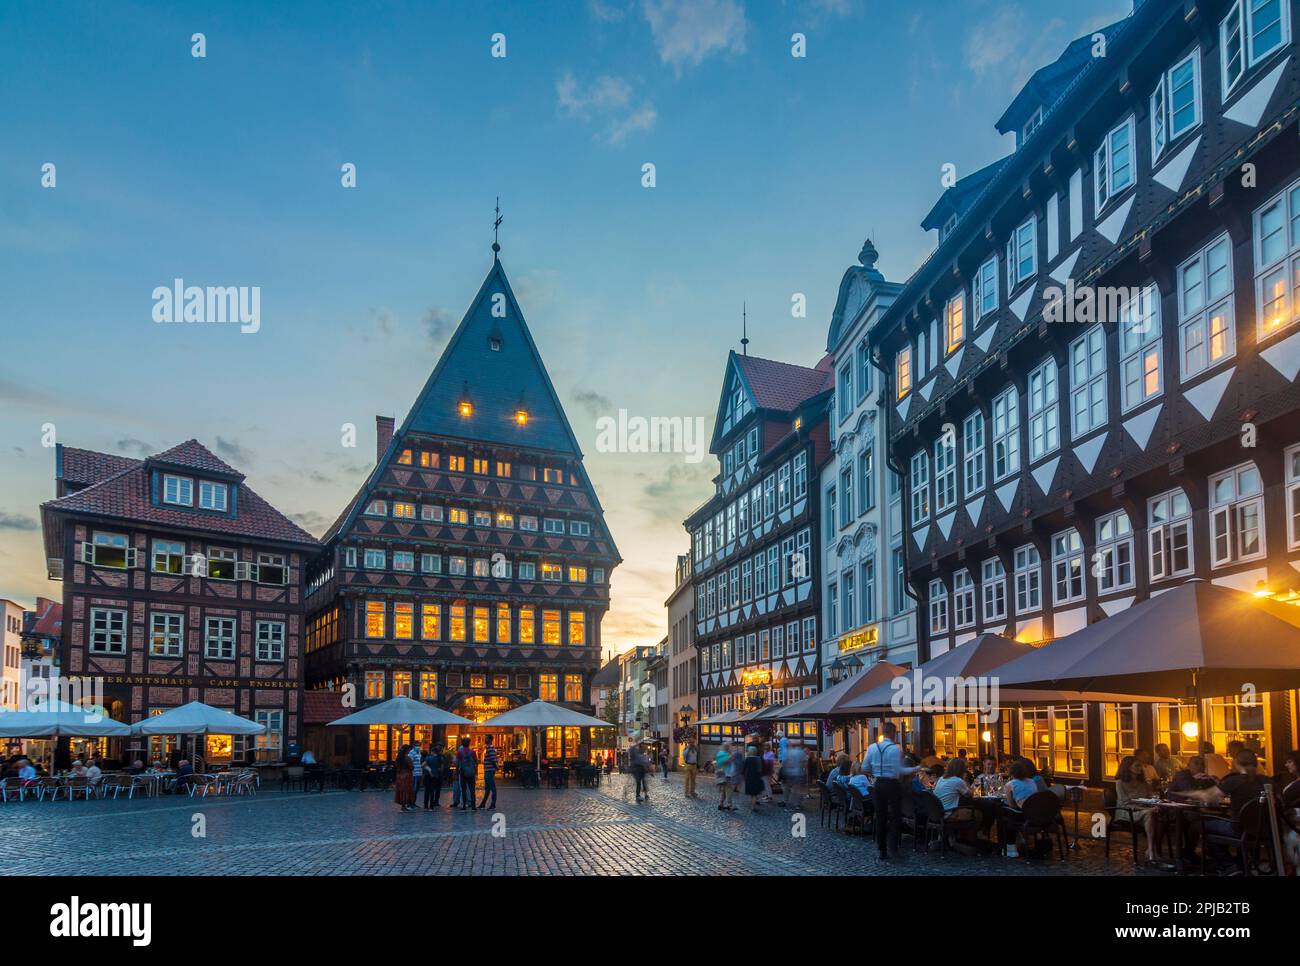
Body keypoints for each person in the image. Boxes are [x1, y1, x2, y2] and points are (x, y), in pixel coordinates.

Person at [864, 723, 919, 861]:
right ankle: (893, 847)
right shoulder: (895, 749)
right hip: (892, 784)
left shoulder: (871, 748)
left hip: (878, 784)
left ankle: (882, 850)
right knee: (895, 816)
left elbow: (864, 767)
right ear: (894, 732)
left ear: (883, 731)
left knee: (880, 816)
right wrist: (915, 768)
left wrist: (876, 773)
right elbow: (900, 770)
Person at [1114, 756, 1157, 863]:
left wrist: (1155, 800)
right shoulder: (1120, 783)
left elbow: (1151, 796)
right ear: (1128, 767)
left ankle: (1152, 849)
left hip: (1142, 811)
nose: (1140, 768)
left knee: (1158, 816)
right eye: (1137, 765)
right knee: (1149, 814)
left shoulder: (1143, 782)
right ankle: (1151, 851)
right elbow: (1125, 804)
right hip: (1125, 812)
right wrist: (1145, 809)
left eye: (1141, 765)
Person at [782, 741, 808, 810]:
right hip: (799, 773)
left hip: (789, 773)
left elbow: (784, 763)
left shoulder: (788, 752)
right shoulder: (801, 752)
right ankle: (797, 805)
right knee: (798, 790)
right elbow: (805, 763)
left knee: (790, 789)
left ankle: (790, 805)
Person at [741, 744, 765, 812]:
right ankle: (753, 804)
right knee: (755, 793)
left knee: (753, 793)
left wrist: (743, 776)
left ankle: (753, 806)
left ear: (750, 752)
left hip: (749, 777)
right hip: (757, 777)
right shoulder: (759, 759)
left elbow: (743, 769)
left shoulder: (747, 759)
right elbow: (761, 769)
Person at [394, 744, 415, 812]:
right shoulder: (407, 758)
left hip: (400, 775)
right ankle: (405, 805)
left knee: (401, 790)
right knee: (406, 790)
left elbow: (397, 766)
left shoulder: (398, 757)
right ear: (407, 750)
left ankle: (403, 805)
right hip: (406, 775)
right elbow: (411, 767)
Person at [456, 738, 477, 809]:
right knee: (472, 790)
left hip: (463, 772)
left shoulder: (459, 752)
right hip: (471, 772)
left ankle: (464, 805)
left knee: (464, 789)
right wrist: (475, 771)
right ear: (469, 744)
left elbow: (457, 763)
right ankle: (473, 805)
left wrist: (456, 773)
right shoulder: (473, 752)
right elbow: (476, 762)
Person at [479, 736, 499, 809]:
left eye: (486, 738)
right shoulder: (489, 748)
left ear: (490, 739)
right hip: (488, 770)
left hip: (489, 771)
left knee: (492, 788)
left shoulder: (490, 748)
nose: (485, 739)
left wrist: (496, 767)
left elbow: (493, 760)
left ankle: (493, 804)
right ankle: (483, 803)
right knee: (487, 788)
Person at [423, 744, 444, 808]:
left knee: (427, 790)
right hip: (435, 775)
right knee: (432, 790)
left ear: (432, 751)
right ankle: (431, 805)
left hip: (427, 775)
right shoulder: (439, 758)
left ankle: (426, 805)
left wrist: (429, 770)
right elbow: (441, 767)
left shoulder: (428, 757)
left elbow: (423, 765)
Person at [714, 744, 735, 810]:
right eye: (729, 747)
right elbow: (725, 761)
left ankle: (721, 804)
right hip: (725, 775)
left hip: (725, 775)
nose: (730, 748)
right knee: (729, 790)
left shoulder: (722, 753)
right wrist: (731, 756)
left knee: (724, 790)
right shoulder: (721, 754)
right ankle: (730, 805)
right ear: (726, 747)